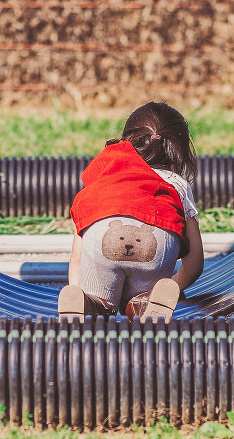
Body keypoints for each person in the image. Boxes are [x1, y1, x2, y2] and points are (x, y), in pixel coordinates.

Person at [58, 101, 205, 323]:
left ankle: (90, 304)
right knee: (142, 299)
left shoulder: (105, 172)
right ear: (180, 150)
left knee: (98, 300)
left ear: (129, 139)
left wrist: (76, 290)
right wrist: (172, 287)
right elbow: (195, 262)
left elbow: (77, 253)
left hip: (102, 238)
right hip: (156, 240)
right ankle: (145, 304)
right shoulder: (177, 183)